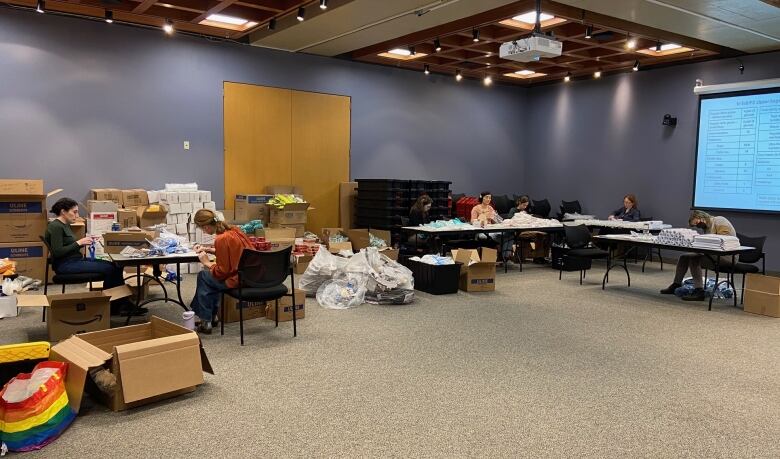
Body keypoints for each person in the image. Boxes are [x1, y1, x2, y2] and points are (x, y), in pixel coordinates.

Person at [45, 198, 130, 314]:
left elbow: (68, 246)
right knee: (109, 269)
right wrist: (79, 243)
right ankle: (114, 306)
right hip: (65, 265)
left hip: (74, 260)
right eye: (74, 212)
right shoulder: (56, 227)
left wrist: (83, 242)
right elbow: (58, 251)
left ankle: (121, 302)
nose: (77, 215)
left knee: (116, 265)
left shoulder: (64, 225)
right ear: (63, 211)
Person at [190, 209, 254, 334]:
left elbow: (221, 273)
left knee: (203, 276)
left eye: (202, 228)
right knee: (208, 283)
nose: (203, 231)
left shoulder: (221, 239)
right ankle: (209, 319)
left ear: (206, 226)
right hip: (250, 275)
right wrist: (210, 249)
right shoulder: (235, 231)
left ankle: (207, 320)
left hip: (238, 280)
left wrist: (206, 262)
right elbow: (235, 252)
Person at [660, 210, 737, 301]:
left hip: (728, 256)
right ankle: (676, 284)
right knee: (684, 257)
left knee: (694, 259)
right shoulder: (706, 228)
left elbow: (724, 240)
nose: (698, 226)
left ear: (702, 218)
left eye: (697, 223)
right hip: (714, 255)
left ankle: (699, 291)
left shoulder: (720, 221)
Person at [470, 192, 514, 262]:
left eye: (490, 198)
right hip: (482, 232)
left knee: (510, 235)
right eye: (486, 197)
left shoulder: (490, 208)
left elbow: (497, 221)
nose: (488, 199)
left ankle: (506, 257)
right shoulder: (476, 208)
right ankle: (504, 257)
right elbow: (472, 222)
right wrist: (480, 221)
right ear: (482, 198)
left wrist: (497, 219)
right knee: (503, 238)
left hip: (492, 230)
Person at [509, 196, 550, 264]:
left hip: (528, 230)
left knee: (545, 235)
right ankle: (538, 257)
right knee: (539, 235)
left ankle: (541, 256)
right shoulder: (513, 210)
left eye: (526, 205)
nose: (525, 207)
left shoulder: (525, 212)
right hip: (520, 232)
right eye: (524, 205)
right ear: (519, 203)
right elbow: (510, 220)